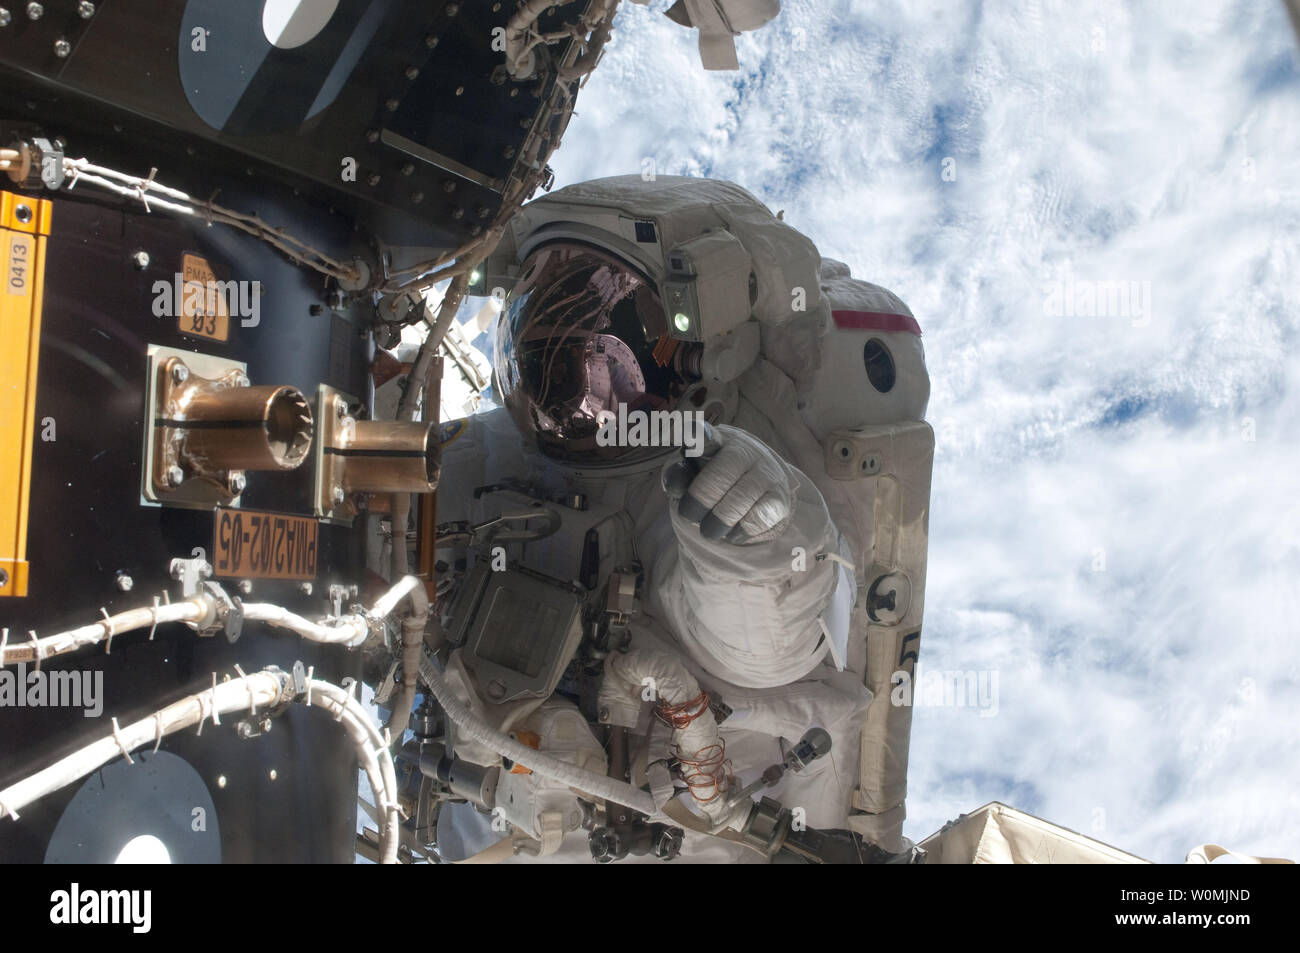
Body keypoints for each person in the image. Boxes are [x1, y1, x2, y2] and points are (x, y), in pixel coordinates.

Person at [431, 175, 932, 862]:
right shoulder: (489, 453)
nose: (572, 374)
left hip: (663, 809)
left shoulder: (695, 482)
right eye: (547, 316)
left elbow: (762, 647)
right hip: (500, 803)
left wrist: (752, 548)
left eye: (608, 348)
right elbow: (367, 503)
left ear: (709, 366)